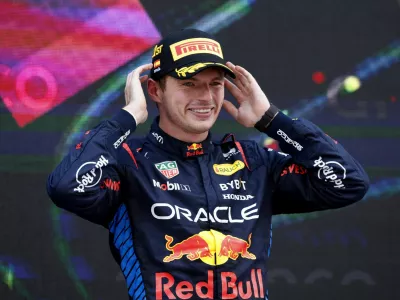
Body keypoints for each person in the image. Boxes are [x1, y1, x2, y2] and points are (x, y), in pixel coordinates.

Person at [47, 29, 369, 300]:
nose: (205, 96)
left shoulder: (252, 162)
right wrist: (127, 118)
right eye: (189, 83)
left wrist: (272, 120)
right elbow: (66, 187)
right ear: (155, 90)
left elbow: (348, 182)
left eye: (214, 83)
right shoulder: (128, 163)